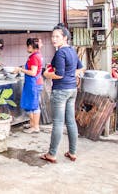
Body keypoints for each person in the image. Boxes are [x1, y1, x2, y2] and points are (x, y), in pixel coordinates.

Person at [41, 24, 84, 163]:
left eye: (57, 36)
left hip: (60, 91)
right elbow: (80, 68)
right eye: (52, 36)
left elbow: (59, 74)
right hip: (72, 90)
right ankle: (72, 152)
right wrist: (70, 76)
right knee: (70, 121)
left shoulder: (61, 52)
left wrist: (47, 74)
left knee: (58, 123)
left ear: (65, 38)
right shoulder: (71, 51)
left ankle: (52, 154)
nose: (54, 39)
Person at [15, 38, 43, 134]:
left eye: (27, 46)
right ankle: (32, 124)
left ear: (30, 46)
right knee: (31, 105)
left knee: (34, 106)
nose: (27, 48)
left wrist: (20, 69)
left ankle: (36, 127)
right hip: (32, 83)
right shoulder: (35, 55)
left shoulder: (34, 57)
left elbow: (33, 72)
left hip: (34, 84)